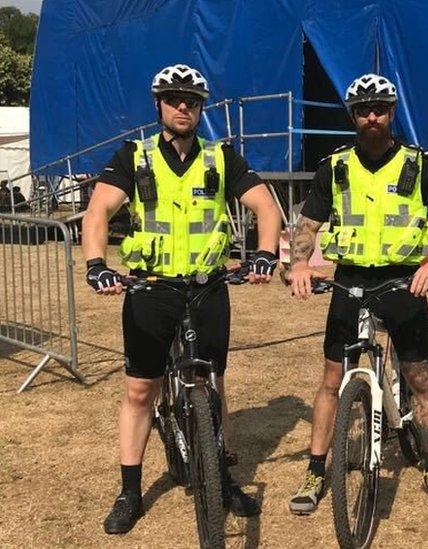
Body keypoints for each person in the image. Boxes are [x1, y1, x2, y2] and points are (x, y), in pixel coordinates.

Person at [81, 63, 283, 535]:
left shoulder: (221, 157)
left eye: (191, 100)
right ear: (159, 105)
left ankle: (222, 477)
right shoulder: (133, 156)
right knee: (139, 390)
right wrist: (96, 264)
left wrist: (265, 255)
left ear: (201, 107)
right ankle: (129, 491)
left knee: (214, 384)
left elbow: (265, 206)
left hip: (208, 287)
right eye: (173, 98)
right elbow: (98, 211)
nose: (182, 106)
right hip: (151, 289)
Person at [286, 73, 428, 513]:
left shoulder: (419, 164)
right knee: (331, 380)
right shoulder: (335, 167)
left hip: (404, 282)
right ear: (353, 115)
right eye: (363, 109)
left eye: (379, 108)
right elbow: (307, 225)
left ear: (391, 112)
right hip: (349, 282)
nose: (372, 116)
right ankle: (314, 470)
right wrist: (298, 265)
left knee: (420, 377)